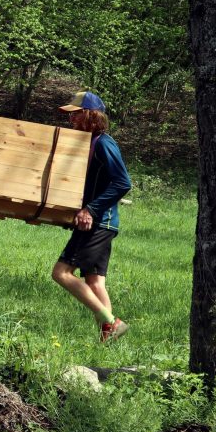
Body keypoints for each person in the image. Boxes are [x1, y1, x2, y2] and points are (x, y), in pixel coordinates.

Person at [51, 91, 131, 342]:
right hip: (99, 222)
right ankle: (109, 338)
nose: (71, 120)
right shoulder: (89, 143)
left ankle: (111, 322)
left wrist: (91, 210)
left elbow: (122, 182)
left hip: (98, 222)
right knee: (95, 282)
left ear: (89, 115)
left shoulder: (104, 143)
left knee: (61, 273)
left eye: (75, 115)